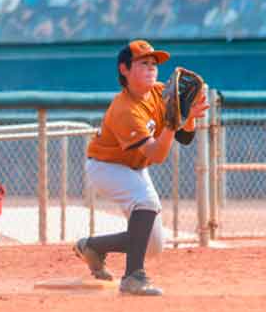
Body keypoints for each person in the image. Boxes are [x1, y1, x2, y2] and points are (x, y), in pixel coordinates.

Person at [74, 39, 209, 296]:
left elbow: (185, 138)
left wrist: (187, 117)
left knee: (153, 245)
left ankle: (93, 246)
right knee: (145, 200)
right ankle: (133, 277)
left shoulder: (160, 93)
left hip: (135, 168)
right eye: (143, 63)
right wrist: (171, 124)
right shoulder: (125, 109)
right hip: (107, 167)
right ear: (124, 69)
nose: (151, 68)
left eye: (154, 64)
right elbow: (157, 155)